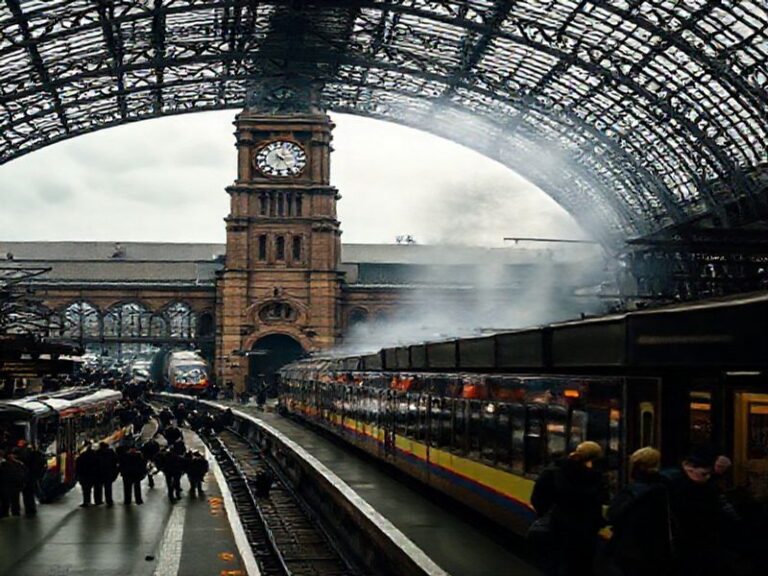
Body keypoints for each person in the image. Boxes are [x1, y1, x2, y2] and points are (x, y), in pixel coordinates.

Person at [530, 441, 606, 576]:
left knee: (556, 565)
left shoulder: (555, 471)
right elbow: (601, 501)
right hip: (585, 533)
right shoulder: (596, 478)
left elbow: (538, 499)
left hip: (557, 527)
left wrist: (547, 515)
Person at [607, 447, 672, 576]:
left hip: (629, 547)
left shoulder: (631, 490)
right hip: (658, 548)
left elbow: (613, 515)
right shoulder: (667, 488)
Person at [661, 447, 724, 576]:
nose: (707, 477)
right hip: (687, 539)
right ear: (689, 468)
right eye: (704, 474)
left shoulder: (670, 479)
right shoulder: (676, 483)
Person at [15, 440, 46, 516]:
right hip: (33, 476)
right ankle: (32, 509)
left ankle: (29, 509)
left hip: (28, 476)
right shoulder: (34, 453)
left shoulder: (25, 452)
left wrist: (17, 458)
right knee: (30, 493)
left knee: (27, 493)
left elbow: (25, 460)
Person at [0, 449, 27, 517]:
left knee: (9, 500)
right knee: (10, 500)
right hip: (10, 484)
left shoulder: (7, 464)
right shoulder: (6, 464)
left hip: (10, 484)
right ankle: (11, 513)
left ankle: (8, 513)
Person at [95, 442, 119, 507]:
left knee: (98, 487)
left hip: (99, 473)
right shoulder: (111, 452)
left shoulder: (97, 452)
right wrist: (115, 472)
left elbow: (94, 463)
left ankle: (98, 501)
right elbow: (116, 461)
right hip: (109, 472)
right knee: (108, 487)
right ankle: (109, 500)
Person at [75, 443, 99, 508]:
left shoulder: (82, 456)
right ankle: (95, 501)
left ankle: (86, 501)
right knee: (92, 488)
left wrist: (77, 474)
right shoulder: (95, 456)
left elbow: (78, 465)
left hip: (84, 475)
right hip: (92, 474)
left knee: (85, 489)